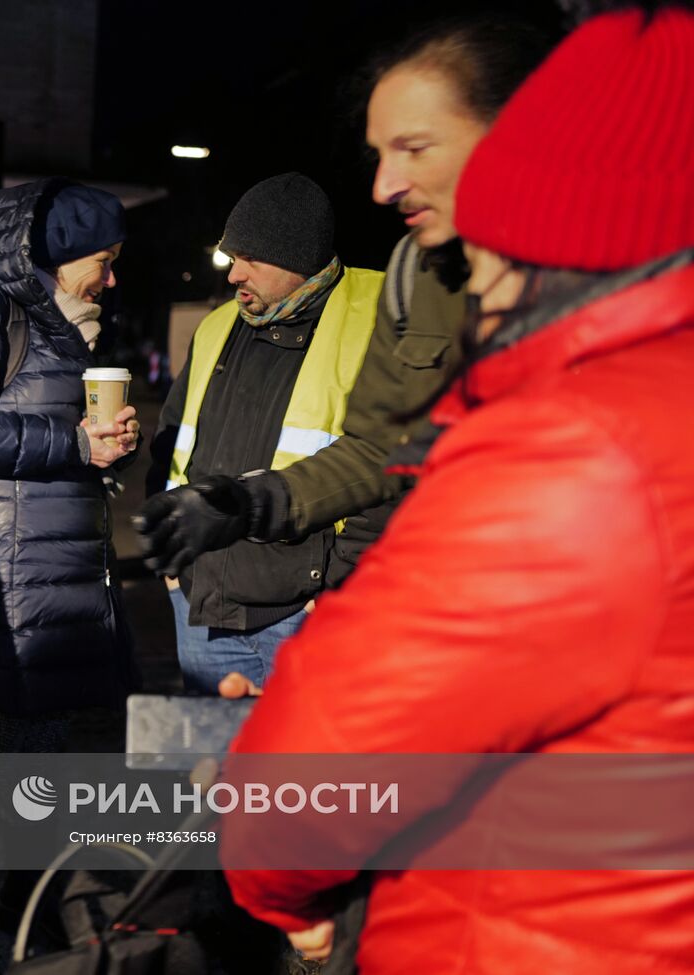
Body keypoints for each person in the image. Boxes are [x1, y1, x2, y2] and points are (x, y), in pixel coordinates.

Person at [220, 6, 694, 972]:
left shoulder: (577, 446)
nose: (479, 288)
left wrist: (283, 879)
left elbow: (325, 762)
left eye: (495, 251)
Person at [139, 15, 553, 590]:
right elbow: (378, 451)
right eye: (380, 155)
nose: (385, 186)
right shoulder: (418, 274)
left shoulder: (644, 267)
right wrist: (247, 502)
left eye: (414, 148)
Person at [0, 179, 140, 974]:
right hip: (10, 577)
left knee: (46, 750)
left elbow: (52, 436)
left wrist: (108, 444)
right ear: (59, 253)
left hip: (61, 571)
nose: (112, 279)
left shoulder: (62, 323)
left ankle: (21, 911)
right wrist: (74, 442)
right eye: (103, 262)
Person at [145, 174, 383, 692]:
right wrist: (172, 567)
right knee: (215, 769)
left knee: (300, 771)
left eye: (248, 258)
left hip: (302, 614)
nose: (234, 275)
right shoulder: (218, 328)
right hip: (202, 601)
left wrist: (339, 588)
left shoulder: (373, 324)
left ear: (295, 256)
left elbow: (386, 467)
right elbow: (172, 441)